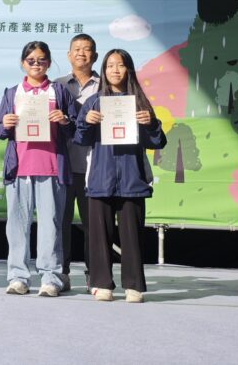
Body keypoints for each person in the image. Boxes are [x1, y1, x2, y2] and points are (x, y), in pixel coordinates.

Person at [74, 49, 167, 303]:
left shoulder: (140, 102)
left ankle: (133, 285)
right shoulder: (94, 102)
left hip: (132, 178)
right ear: (104, 71)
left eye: (120, 65)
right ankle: (101, 283)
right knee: (99, 235)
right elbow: (80, 139)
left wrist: (150, 124)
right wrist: (86, 122)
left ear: (129, 69)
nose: (115, 70)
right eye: (110, 65)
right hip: (100, 178)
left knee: (132, 235)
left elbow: (158, 142)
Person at [0, 41, 77, 297]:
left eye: (41, 60)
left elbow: (75, 130)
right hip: (19, 168)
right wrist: (5, 124)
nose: (36, 64)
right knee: (17, 226)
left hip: (51, 167)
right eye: (31, 60)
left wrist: (64, 120)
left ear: (49, 63)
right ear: (23, 63)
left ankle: (50, 277)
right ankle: (18, 277)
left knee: (50, 226)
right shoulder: (12, 92)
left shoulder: (58, 91)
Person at [55, 34, 99, 291]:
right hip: (62, 166)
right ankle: (61, 273)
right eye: (77, 49)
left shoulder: (106, 87)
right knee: (60, 224)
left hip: (95, 167)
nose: (81, 53)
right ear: (69, 55)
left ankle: (96, 274)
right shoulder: (56, 86)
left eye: (87, 49)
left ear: (95, 56)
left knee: (94, 226)